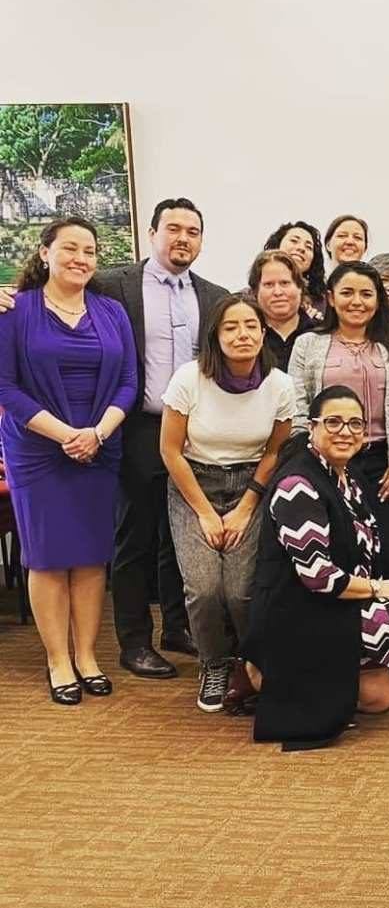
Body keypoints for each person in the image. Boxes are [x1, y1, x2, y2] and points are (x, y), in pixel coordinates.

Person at [239, 386, 389, 750]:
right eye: (333, 422)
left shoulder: (350, 478)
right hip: (296, 612)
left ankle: (309, 678)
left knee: (381, 695)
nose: (345, 431)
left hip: (334, 605)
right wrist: (376, 589)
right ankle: (264, 674)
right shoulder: (297, 486)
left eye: (355, 424)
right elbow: (318, 577)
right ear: (311, 427)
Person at [0, 218, 137, 704]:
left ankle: (87, 656)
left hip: (99, 446)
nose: (81, 258)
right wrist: (64, 435)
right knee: (48, 556)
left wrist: (97, 433)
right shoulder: (16, 311)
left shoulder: (111, 311)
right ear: (44, 253)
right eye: (70, 248)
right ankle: (58, 660)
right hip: (38, 450)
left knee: (91, 555)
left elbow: (128, 382)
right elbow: (6, 387)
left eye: (90, 251)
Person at [96, 198, 228, 678]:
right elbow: (54, 291)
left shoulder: (213, 295)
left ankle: (178, 626)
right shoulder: (112, 284)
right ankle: (134, 641)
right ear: (152, 232)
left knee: (182, 535)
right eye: (173, 229)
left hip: (196, 434)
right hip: (139, 427)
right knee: (135, 536)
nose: (183, 238)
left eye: (192, 231)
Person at [160, 295, 294, 712]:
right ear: (215, 336)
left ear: (263, 332)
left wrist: (246, 506)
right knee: (203, 589)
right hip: (193, 483)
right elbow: (170, 450)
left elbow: (276, 452)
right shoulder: (189, 379)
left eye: (250, 325)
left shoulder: (280, 385)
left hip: (251, 485)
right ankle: (213, 662)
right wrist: (203, 511)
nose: (242, 334)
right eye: (231, 327)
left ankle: (248, 661)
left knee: (241, 592)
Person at [288, 260, 389, 599]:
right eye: (347, 292)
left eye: (367, 294)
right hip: (330, 465)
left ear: (378, 300)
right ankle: (354, 638)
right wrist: (316, 462)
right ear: (331, 298)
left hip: (388, 465)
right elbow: (297, 408)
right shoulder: (308, 344)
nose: (357, 301)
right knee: (344, 552)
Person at [248, 250, 316, 370]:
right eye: (269, 284)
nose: (278, 292)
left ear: (300, 287)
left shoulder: (321, 333)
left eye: (285, 283)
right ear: (255, 291)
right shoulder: (247, 337)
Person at [263, 221, 326, 314]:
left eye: (308, 247)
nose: (301, 248)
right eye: (294, 241)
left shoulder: (322, 303)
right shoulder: (250, 297)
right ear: (277, 245)